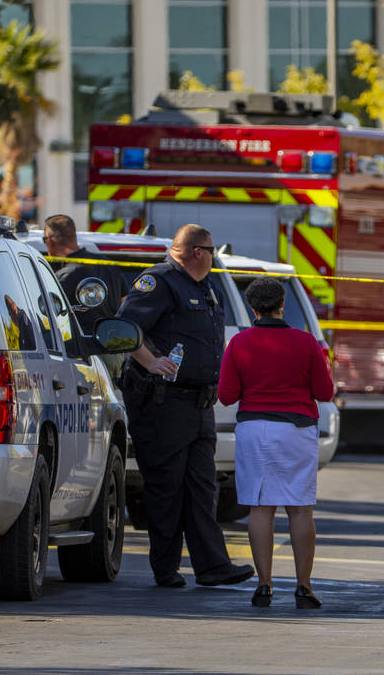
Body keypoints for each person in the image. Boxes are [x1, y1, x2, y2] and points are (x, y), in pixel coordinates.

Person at [116, 224, 255, 588]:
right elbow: (125, 328)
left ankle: (213, 567)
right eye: (211, 251)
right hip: (164, 405)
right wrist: (150, 362)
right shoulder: (159, 281)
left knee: (201, 488)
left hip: (198, 404)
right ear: (198, 252)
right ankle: (165, 569)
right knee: (166, 490)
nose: (213, 258)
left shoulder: (201, 287)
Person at [217, 276, 335, 609]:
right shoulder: (307, 341)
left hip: (254, 428)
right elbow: (325, 393)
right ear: (282, 305)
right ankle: (303, 585)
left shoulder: (239, 343)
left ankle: (264, 584)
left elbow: (226, 396)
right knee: (300, 508)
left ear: (253, 308)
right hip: (296, 429)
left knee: (260, 507)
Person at [43, 214, 129, 379]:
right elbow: (126, 308)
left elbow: (49, 319)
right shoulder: (108, 264)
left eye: (44, 238)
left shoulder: (64, 276)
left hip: (82, 358)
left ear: (51, 240)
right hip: (114, 354)